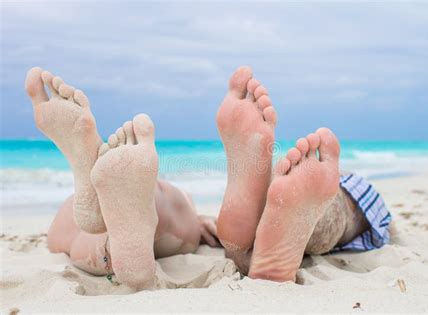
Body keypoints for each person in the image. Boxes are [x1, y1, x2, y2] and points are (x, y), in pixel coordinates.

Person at [25, 66, 391, 289]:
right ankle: (256, 227)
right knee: (347, 207)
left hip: (134, 229)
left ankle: (106, 235)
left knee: (80, 225)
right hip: (208, 223)